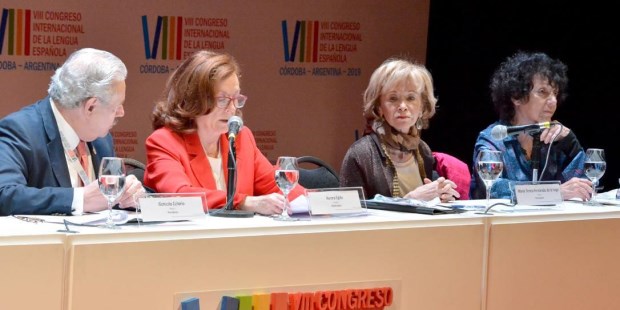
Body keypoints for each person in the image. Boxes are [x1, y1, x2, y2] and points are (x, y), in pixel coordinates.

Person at [144, 50, 305, 215]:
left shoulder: (240, 137)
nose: (232, 108)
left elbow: (278, 187)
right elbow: (180, 197)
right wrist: (243, 202)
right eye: (222, 100)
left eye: (236, 99)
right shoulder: (164, 141)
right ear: (193, 100)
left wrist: (313, 202)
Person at [0, 48, 145, 216]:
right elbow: (5, 194)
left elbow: (108, 199)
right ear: (91, 106)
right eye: (116, 106)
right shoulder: (20, 130)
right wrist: (81, 199)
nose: (121, 112)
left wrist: (130, 196)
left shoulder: (101, 139)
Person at [470, 51, 592, 200]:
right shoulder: (492, 140)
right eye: (543, 92)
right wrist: (554, 193)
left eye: (555, 93)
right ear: (517, 96)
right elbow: (493, 188)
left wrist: (572, 146)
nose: (553, 101)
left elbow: (585, 185)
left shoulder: (556, 138)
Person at [339, 58, 461, 202]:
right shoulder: (361, 154)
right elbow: (349, 211)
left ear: (422, 106)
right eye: (393, 98)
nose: (402, 106)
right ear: (379, 107)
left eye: (410, 98)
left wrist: (440, 196)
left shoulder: (423, 151)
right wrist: (410, 199)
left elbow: (421, 207)